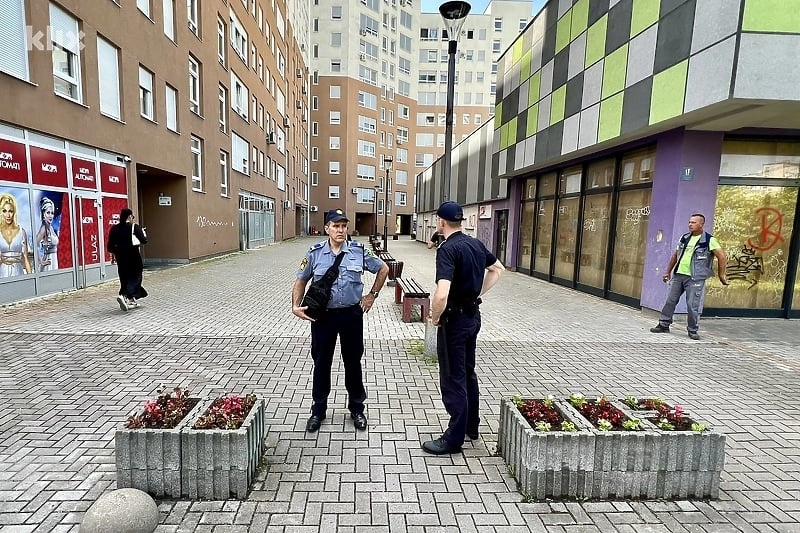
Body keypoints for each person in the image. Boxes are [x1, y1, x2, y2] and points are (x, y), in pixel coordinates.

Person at [292, 208, 389, 433]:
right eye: (336, 226)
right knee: (321, 363)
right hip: (323, 317)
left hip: (351, 316)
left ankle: (357, 408)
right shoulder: (314, 252)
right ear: (327, 228)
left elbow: (383, 269)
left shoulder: (358, 251)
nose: (341, 230)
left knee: (353, 362)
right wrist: (295, 306)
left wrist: (371, 295)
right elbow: (300, 280)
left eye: (344, 226)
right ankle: (318, 410)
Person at [423, 201, 505, 455]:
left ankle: (453, 439)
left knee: (452, 377)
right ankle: (471, 426)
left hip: (455, 320)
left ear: (441, 221)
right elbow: (497, 269)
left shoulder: (447, 250)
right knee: (468, 372)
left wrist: (434, 317)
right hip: (472, 316)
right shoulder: (474, 243)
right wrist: (476, 293)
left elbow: (441, 293)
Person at [650, 213, 728, 340]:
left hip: (695, 278)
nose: (690, 224)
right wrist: (668, 271)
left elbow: (722, 256)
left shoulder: (709, 240)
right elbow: (676, 255)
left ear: (701, 224)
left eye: (693, 222)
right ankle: (663, 324)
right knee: (670, 301)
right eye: (689, 222)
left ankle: (692, 330)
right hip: (679, 275)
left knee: (692, 305)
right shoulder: (684, 238)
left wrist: (721, 275)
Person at [107, 208, 148, 311]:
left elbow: (110, 247)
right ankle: (124, 295)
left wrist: (114, 255)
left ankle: (131, 300)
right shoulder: (134, 227)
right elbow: (144, 240)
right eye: (132, 217)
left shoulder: (114, 229)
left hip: (121, 257)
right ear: (130, 216)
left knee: (124, 278)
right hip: (133, 256)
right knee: (136, 277)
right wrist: (142, 233)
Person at [0, 193, 32, 278]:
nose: (8, 215)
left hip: (18, 272)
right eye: (4, 211)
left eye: (10, 211)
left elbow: (26, 258)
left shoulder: (22, 232)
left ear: (14, 212)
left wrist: (31, 278)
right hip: (2, 272)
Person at [35, 197, 59, 272]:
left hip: (54, 260)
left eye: (52, 213)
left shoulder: (50, 227)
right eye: (48, 213)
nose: (50, 216)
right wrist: (41, 261)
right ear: (43, 213)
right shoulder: (43, 228)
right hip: (49, 262)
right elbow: (35, 244)